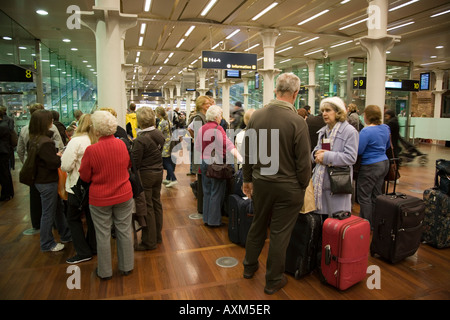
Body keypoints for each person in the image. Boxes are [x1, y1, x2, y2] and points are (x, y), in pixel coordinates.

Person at [242, 73, 311, 295]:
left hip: (262, 182)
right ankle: (273, 280)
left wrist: (247, 179)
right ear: (296, 93)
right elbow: (303, 163)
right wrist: (302, 186)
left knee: (258, 225)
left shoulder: (256, 116)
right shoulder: (298, 122)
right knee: (280, 233)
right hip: (288, 186)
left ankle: (249, 267)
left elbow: (249, 153)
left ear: (275, 91)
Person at [79, 110, 134, 280]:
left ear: (96, 130)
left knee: (102, 234)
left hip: (100, 198)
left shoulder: (91, 150)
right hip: (124, 194)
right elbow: (128, 165)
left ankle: (105, 271)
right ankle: (127, 266)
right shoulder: (122, 145)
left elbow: (85, 176)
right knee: (124, 230)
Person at [17, 103, 64, 235]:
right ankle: (48, 239)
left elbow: (20, 150)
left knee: (37, 200)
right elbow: (58, 149)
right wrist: (59, 156)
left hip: (34, 172)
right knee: (50, 209)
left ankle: (38, 224)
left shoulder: (27, 131)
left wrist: (27, 163)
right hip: (47, 175)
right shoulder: (47, 137)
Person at [28, 109, 71, 252]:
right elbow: (53, 163)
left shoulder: (33, 139)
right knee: (48, 213)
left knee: (57, 208)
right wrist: (59, 156)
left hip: (41, 180)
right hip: (47, 181)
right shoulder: (46, 142)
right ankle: (47, 243)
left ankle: (65, 234)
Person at [311, 97, 359, 219]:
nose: (324, 114)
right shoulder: (324, 131)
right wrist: (315, 154)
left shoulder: (349, 131)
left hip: (337, 186)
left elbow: (351, 157)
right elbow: (317, 149)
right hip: (321, 185)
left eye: (328, 110)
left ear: (338, 112)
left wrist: (326, 156)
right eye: (323, 111)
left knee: (335, 224)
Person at [196, 105, 242, 227]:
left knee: (207, 192)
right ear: (216, 117)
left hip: (204, 162)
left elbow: (197, 147)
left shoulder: (202, 129)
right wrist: (240, 157)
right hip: (216, 164)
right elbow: (228, 145)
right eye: (220, 115)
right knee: (216, 192)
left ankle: (206, 218)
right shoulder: (218, 128)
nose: (221, 118)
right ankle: (214, 221)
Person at [61, 114, 98, 264]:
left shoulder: (76, 141)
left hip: (77, 186)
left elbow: (66, 165)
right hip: (94, 186)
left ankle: (83, 251)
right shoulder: (96, 140)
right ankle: (94, 246)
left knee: (73, 218)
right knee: (92, 218)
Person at [131, 107, 165, 250]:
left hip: (146, 175)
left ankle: (149, 241)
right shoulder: (158, 133)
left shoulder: (140, 140)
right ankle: (157, 236)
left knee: (148, 207)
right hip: (158, 172)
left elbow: (135, 163)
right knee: (156, 204)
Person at [357, 105, 390, 226]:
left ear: (367, 116)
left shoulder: (366, 131)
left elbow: (359, 150)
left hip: (370, 166)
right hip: (384, 163)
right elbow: (387, 146)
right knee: (377, 195)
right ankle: (376, 223)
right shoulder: (386, 128)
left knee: (364, 196)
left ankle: (366, 224)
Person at [187, 96, 212, 212]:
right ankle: (201, 208)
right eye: (207, 103)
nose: (209, 105)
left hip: (204, 153)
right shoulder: (198, 118)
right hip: (201, 153)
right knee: (202, 182)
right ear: (202, 105)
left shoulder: (204, 117)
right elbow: (196, 134)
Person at [156, 106, 178, 188]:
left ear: (158, 114)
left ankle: (173, 179)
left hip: (165, 144)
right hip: (169, 143)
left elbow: (158, 133)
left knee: (166, 162)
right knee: (168, 161)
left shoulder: (162, 123)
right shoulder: (167, 121)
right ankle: (168, 178)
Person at [0, 108, 14, 201]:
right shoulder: (5, 125)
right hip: (4, 151)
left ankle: (6, 194)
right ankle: (8, 193)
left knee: (3, 174)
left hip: (2, 152)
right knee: (5, 173)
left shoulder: (2, 126)